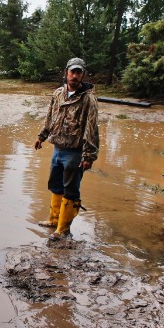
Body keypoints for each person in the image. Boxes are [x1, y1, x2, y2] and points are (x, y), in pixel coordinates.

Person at [34, 57, 99, 241]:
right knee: (55, 185)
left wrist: (89, 156)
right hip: (58, 148)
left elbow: (91, 128)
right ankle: (54, 221)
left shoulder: (88, 99)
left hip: (75, 151)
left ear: (83, 75)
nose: (75, 76)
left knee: (70, 189)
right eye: (72, 72)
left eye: (79, 72)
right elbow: (50, 117)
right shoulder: (58, 94)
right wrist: (42, 136)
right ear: (66, 73)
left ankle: (63, 230)